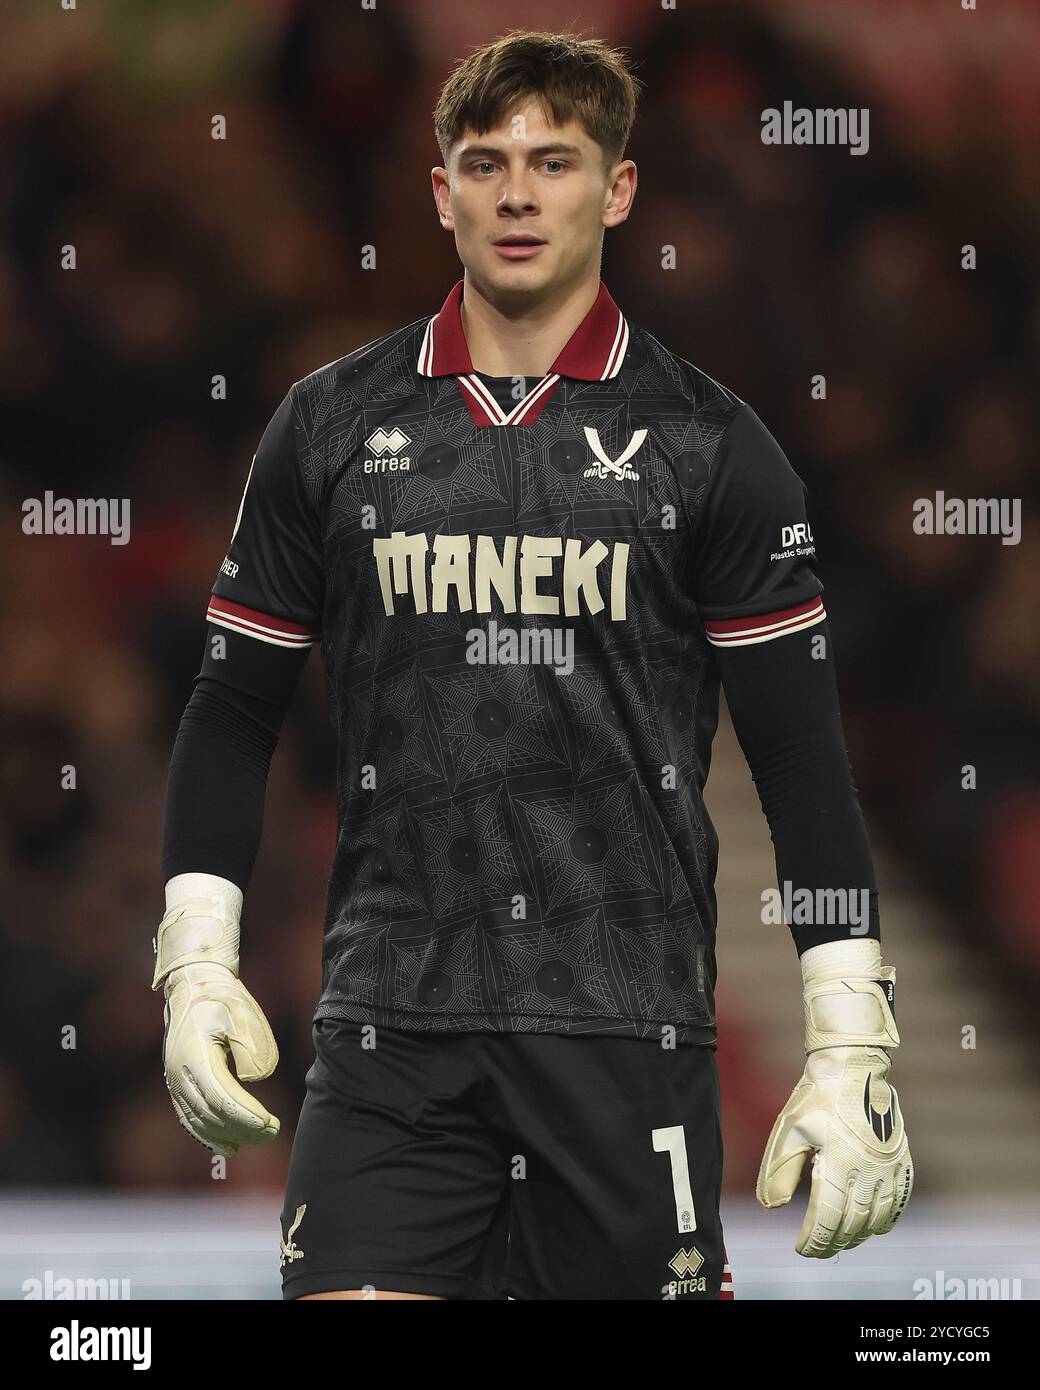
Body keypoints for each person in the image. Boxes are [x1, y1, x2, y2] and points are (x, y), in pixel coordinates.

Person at [153, 28, 912, 1301]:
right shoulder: (330, 426)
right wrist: (194, 956)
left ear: (616, 191)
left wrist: (849, 1031)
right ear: (437, 189)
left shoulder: (711, 448)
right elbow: (233, 707)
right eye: (484, 161)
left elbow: (796, 761)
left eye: (553, 162)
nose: (516, 193)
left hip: (626, 1033)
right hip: (390, 1027)